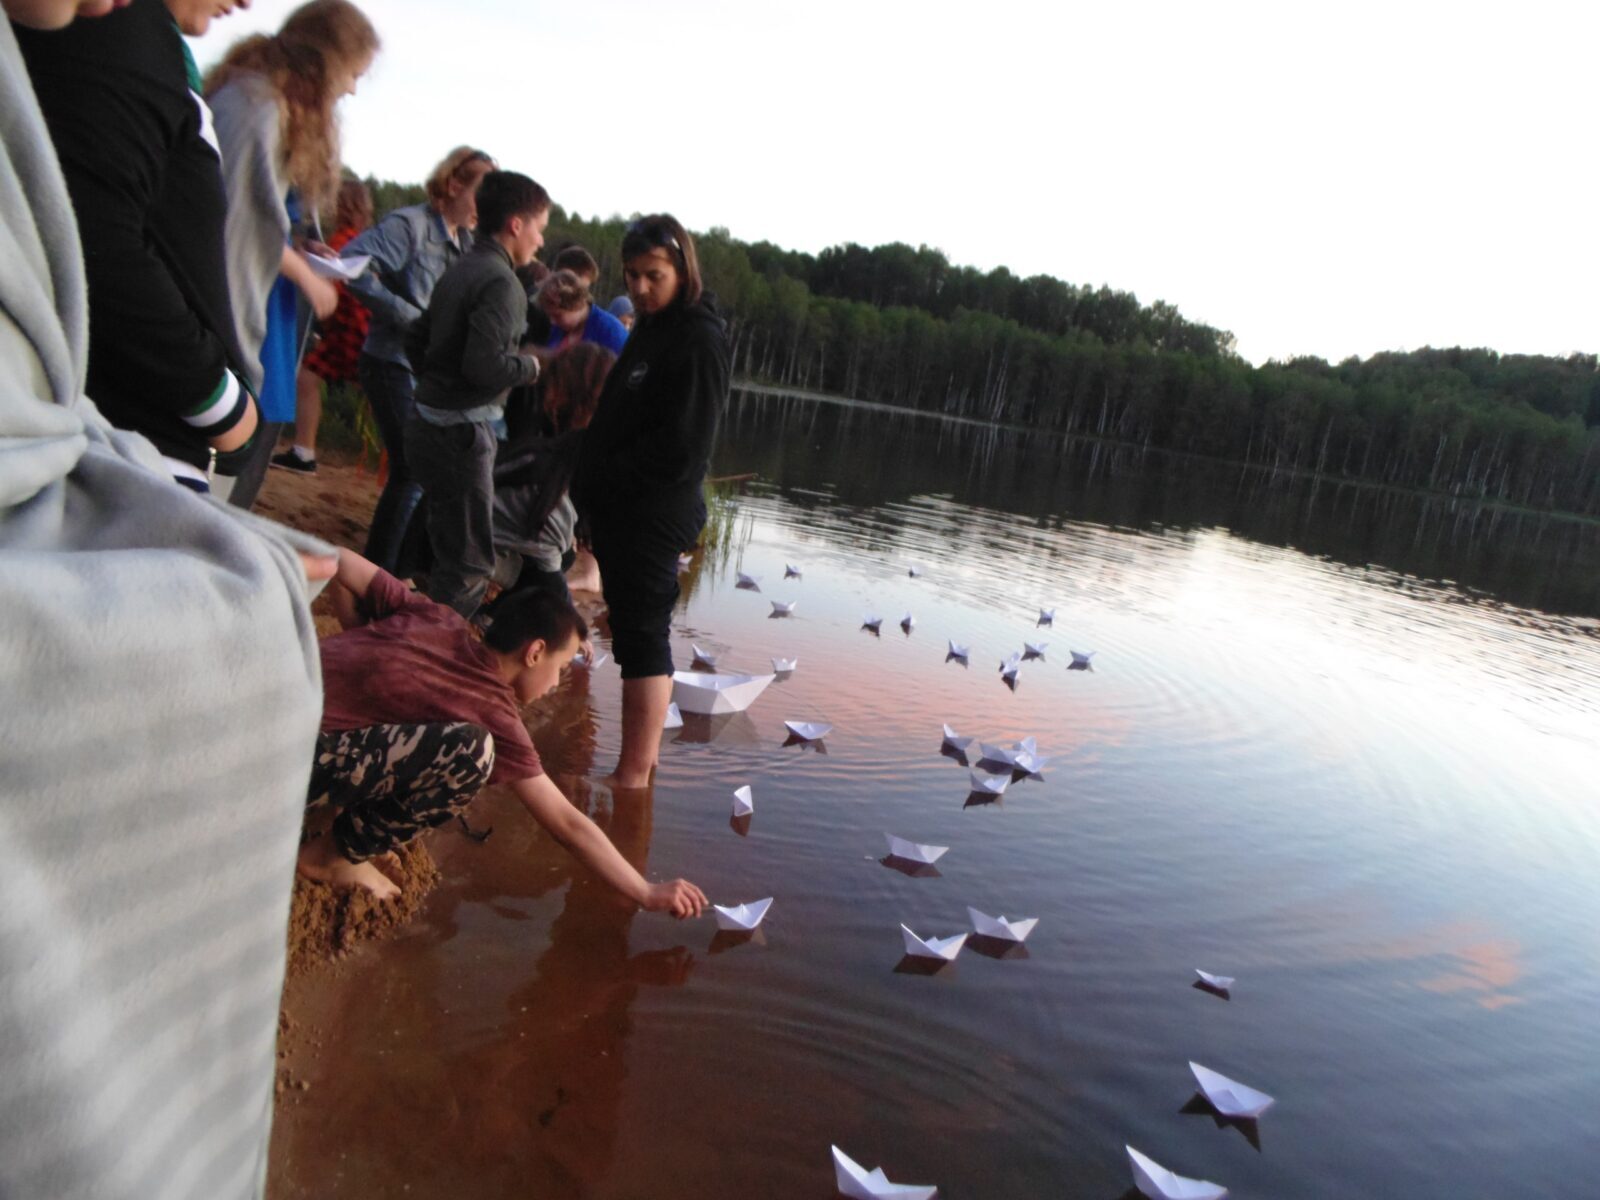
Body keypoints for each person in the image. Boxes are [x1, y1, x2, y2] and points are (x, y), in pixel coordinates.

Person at [1, 6, 335, 1198]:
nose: (239, 0)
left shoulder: (153, 54)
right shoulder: (126, 48)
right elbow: (103, 233)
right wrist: (220, 405)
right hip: (167, 423)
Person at [304, 548, 706, 917]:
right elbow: (567, 824)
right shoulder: (493, 711)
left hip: (271, 714)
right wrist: (645, 891)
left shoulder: (438, 618)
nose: (556, 683)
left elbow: (336, 562)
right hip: (283, 766)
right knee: (472, 753)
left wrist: (359, 640)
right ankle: (331, 857)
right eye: (561, 667)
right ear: (533, 652)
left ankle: (336, 813)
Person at [14, 0, 260, 493]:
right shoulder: (121, 27)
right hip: (118, 458)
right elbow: (93, 234)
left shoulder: (140, 35)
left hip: (120, 451)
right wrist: (219, 401)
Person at [571, 215, 731, 789]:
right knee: (636, 631)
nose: (639, 287)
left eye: (652, 275)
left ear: (682, 268)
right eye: (632, 275)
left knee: (642, 638)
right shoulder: (653, 326)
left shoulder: (698, 339)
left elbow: (684, 453)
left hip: (652, 516)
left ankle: (633, 775)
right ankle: (640, 769)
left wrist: (606, 475)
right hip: (620, 510)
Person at [205, 0, 379, 508]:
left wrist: (301, 247)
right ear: (323, 61)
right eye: (352, 73)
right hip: (233, 342)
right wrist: (304, 273)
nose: (350, 89)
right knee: (214, 507)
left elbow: (258, 217)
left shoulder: (267, 106)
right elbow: (230, 224)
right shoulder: (257, 108)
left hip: (263, 338)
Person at [343, 145, 495, 574]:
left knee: (427, 473)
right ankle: (375, 577)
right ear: (453, 184)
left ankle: (398, 575)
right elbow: (351, 264)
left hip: (427, 374)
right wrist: (412, 318)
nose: (486, 207)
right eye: (481, 192)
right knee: (411, 470)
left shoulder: (466, 244)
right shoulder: (408, 226)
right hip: (390, 361)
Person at [403, 169, 547, 618]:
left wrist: (434, 387)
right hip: (461, 435)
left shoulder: (461, 267)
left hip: (427, 425)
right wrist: (531, 367)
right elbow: (483, 367)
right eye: (540, 229)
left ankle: (423, 641)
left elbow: (414, 336)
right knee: (468, 565)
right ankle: (434, 659)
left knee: (453, 554)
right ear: (517, 225)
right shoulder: (504, 284)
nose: (541, 242)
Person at [492, 342, 613, 597]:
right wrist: (573, 630)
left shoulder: (555, 442)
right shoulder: (545, 473)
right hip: (459, 544)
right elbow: (549, 577)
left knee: (563, 557)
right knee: (549, 569)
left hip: (481, 525)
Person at [273, 177, 374, 474]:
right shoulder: (354, 238)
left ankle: (304, 452)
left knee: (306, 379)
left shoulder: (346, 239)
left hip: (349, 331)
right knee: (307, 378)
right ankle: (304, 451)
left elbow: (336, 291)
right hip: (353, 330)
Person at [537, 268, 629, 358]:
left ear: (575, 304)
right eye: (549, 315)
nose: (552, 321)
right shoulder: (559, 329)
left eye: (557, 316)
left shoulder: (612, 333)